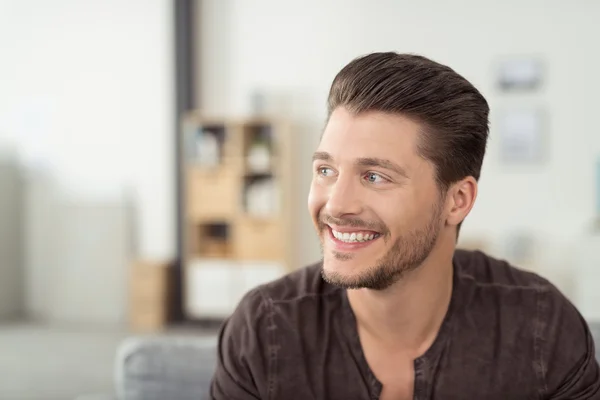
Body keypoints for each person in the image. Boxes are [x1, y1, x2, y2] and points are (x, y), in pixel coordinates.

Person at [210, 52, 600, 399]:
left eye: (375, 176)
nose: (336, 204)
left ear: (457, 200)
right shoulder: (263, 331)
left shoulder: (542, 329)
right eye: (326, 170)